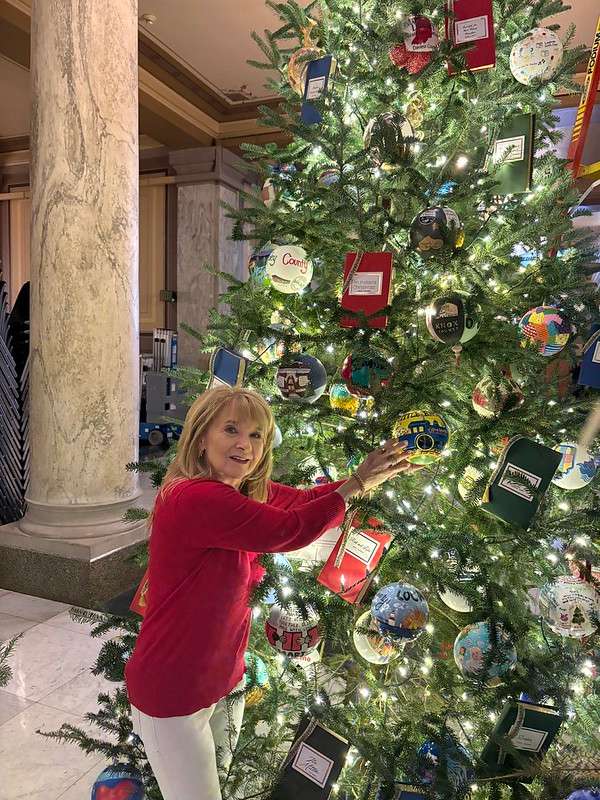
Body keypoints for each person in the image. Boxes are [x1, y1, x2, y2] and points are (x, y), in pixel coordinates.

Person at [125, 385, 421, 800]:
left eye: (256, 435)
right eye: (231, 430)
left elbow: (302, 501)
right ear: (201, 436)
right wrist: (355, 483)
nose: (244, 445)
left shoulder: (240, 489)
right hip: (172, 689)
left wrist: (363, 481)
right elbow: (289, 530)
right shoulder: (194, 496)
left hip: (221, 680)